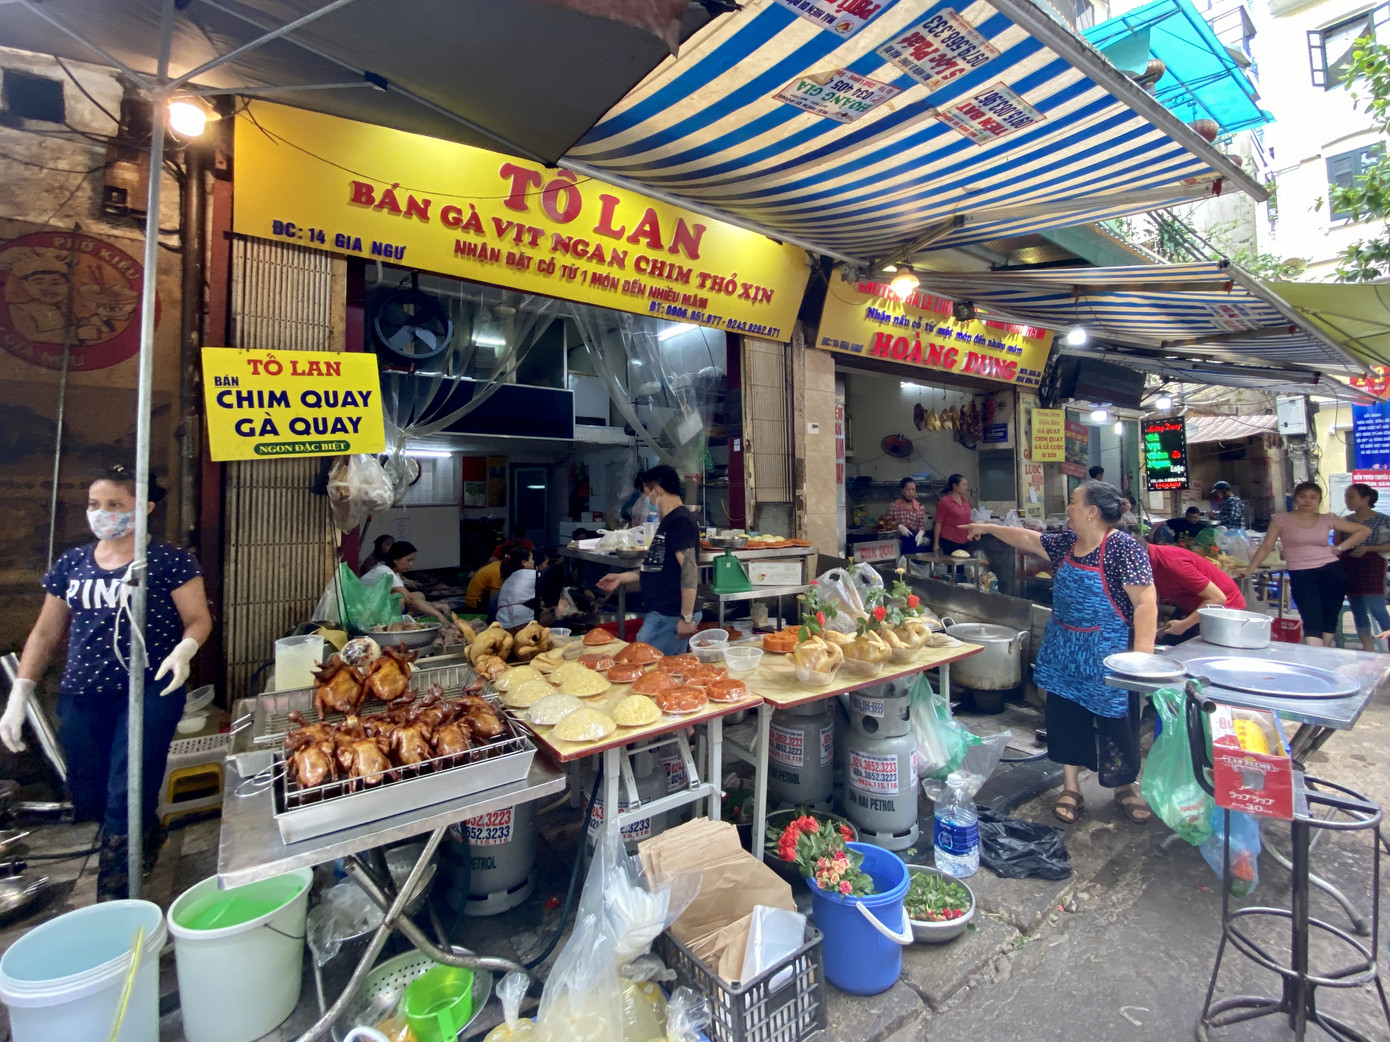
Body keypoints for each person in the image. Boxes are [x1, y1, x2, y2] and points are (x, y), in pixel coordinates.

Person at [1, 465, 212, 899]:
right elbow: (44, 633)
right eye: (95, 504)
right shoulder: (72, 564)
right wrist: (20, 692)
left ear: (144, 508)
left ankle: (114, 892)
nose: (102, 513)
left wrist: (185, 650)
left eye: (115, 504)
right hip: (82, 693)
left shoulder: (169, 561)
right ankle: (147, 832)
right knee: (88, 792)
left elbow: (197, 619)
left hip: (151, 688)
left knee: (128, 788)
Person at [965, 481, 1157, 825]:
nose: (1068, 508)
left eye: (1073, 502)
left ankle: (1124, 786)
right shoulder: (1067, 543)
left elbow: (1145, 601)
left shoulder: (1122, 548)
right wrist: (988, 528)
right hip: (1064, 649)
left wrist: (1142, 658)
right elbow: (1028, 539)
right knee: (1066, 719)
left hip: (1107, 654)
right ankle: (1071, 788)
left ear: (1091, 511)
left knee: (1117, 722)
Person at [1242, 481, 1369, 646]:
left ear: (1319, 500)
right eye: (1303, 496)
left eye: (1313, 497)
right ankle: (1316, 653)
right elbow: (1266, 546)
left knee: (1329, 617)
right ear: (1295, 498)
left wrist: (1340, 547)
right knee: (1311, 617)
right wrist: (1250, 570)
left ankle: (1323, 653)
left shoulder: (1327, 519)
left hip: (1331, 570)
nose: (1307, 500)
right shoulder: (1280, 519)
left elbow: (1363, 530)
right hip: (1301, 573)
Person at [596, 465, 701, 654]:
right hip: (661, 613)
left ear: (657, 491)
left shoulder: (680, 522)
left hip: (671, 613)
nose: (647, 501)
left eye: (647, 495)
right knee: (649, 663)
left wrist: (686, 617)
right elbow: (659, 567)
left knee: (648, 664)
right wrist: (622, 577)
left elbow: (689, 569)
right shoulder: (668, 522)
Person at [1146, 542, 1246, 643]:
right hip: (1191, 604)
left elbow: (1217, 599)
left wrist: (1184, 625)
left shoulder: (1174, 563)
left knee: (1186, 648)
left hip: (1222, 609)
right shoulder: (1146, 562)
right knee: (1165, 641)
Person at [1339, 483, 1390, 651]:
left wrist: (1368, 548)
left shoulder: (1383, 520)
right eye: (1346, 497)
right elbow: (1338, 544)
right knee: (1358, 609)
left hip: (1373, 566)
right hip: (1350, 566)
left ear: (1366, 499)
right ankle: (1367, 647)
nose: (1347, 500)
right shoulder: (1345, 521)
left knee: (1377, 608)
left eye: (1351, 496)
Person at [361, 541, 452, 620]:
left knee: (418, 595)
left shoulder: (393, 571)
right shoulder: (386, 572)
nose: (411, 564)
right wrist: (437, 612)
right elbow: (410, 600)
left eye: (412, 560)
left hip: (373, 606)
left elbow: (409, 596)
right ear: (396, 559)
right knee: (400, 600)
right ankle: (398, 623)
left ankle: (407, 618)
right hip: (364, 610)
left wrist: (433, 605)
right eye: (408, 560)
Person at [496, 546, 540, 628]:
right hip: (523, 622)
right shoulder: (532, 574)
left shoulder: (507, 579)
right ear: (524, 562)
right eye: (531, 559)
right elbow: (547, 582)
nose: (533, 562)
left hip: (503, 624)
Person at [930, 474, 973, 556]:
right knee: (952, 562)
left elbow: (967, 519)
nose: (966, 487)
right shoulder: (945, 502)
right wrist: (936, 543)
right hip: (949, 539)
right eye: (964, 484)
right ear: (955, 486)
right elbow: (938, 523)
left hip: (964, 539)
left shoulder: (965, 501)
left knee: (963, 561)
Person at [888, 477, 927, 557]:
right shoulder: (894, 506)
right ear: (902, 491)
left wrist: (920, 533)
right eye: (908, 490)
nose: (911, 492)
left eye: (913, 490)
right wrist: (898, 526)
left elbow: (922, 526)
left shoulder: (920, 507)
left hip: (914, 542)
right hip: (898, 543)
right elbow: (887, 523)